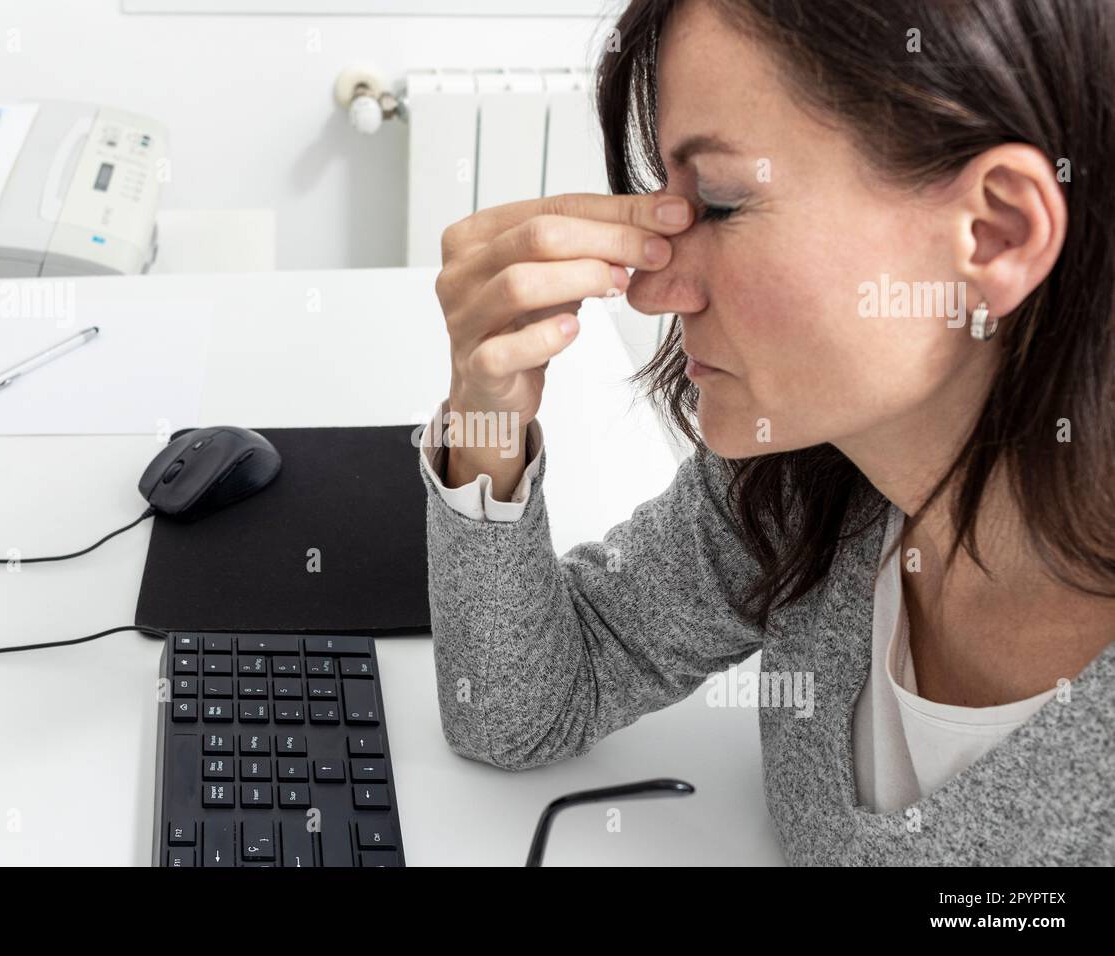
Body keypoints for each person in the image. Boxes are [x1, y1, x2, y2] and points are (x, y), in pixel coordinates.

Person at [419, 0, 1115, 864]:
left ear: (996, 231)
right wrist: (488, 411)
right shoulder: (809, 487)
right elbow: (517, 707)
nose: (647, 291)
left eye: (718, 201)